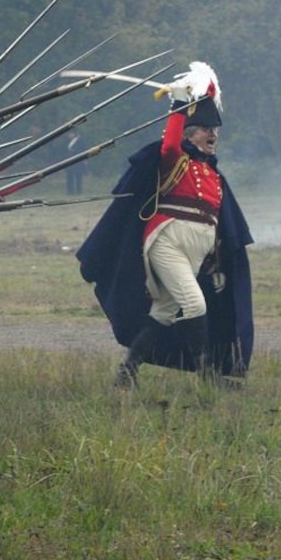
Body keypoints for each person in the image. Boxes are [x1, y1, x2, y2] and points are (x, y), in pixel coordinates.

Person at [76, 61, 254, 387]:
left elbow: (216, 219)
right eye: (205, 129)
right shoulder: (177, 158)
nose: (212, 134)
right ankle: (207, 376)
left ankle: (127, 371)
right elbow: (169, 144)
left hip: (197, 247)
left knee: (165, 312)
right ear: (190, 133)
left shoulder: (211, 172)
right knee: (194, 303)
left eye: (215, 130)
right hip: (167, 239)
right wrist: (178, 103)